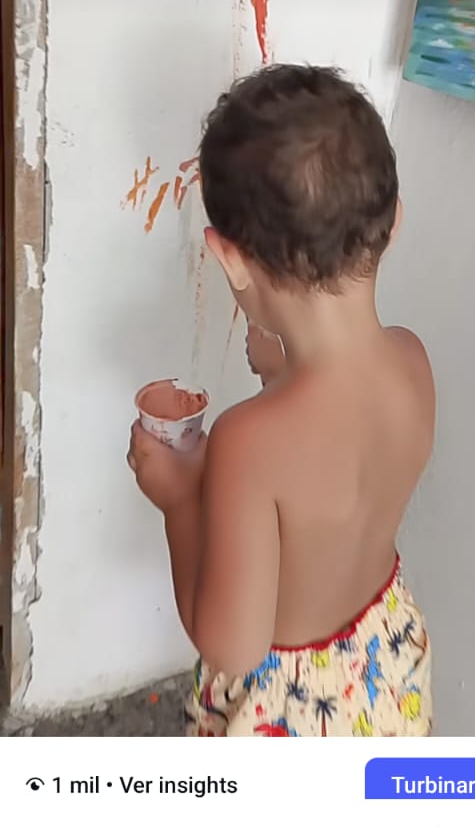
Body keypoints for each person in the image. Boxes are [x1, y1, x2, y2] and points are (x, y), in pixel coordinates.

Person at [128, 64, 435, 736]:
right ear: (394, 223)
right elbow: (338, 480)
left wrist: (178, 501)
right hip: (387, 669)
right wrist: (282, 376)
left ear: (229, 258)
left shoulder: (248, 441)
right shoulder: (412, 361)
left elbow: (232, 646)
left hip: (292, 713)